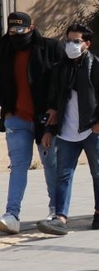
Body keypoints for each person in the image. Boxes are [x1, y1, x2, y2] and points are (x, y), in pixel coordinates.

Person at [37, 22, 99, 236]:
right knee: (63, 175)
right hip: (66, 132)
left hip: (91, 131)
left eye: (76, 41)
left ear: (87, 44)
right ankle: (61, 219)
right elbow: (54, 102)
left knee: (98, 173)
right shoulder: (60, 68)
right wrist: (48, 130)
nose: (71, 45)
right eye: (69, 40)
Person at [0, 12, 64, 234]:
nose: (16, 35)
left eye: (20, 30)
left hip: (44, 119)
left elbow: (61, 82)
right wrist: (6, 110)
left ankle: (56, 210)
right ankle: (12, 214)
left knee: (50, 164)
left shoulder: (50, 48)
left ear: (31, 27)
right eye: (12, 30)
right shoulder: (4, 48)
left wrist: (55, 109)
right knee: (18, 165)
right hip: (16, 118)